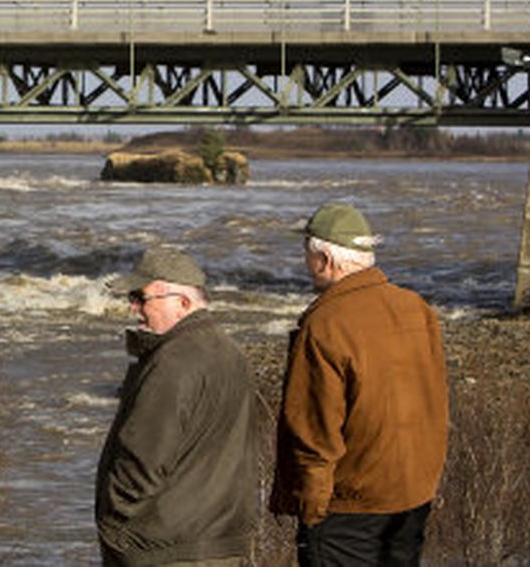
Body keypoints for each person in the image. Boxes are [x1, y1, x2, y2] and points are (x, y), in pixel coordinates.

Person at [271, 204, 448, 567]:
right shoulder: (416, 308)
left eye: (306, 251)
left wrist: (311, 509)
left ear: (324, 258)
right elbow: (435, 401)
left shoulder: (325, 324)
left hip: (348, 505)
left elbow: (313, 429)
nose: (305, 261)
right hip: (412, 495)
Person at [95, 244, 259, 567]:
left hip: (165, 550)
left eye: (141, 298)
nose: (133, 309)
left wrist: (114, 527)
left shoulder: (171, 364)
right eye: (131, 299)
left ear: (183, 303)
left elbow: (139, 465)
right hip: (222, 544)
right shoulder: (231, 353)